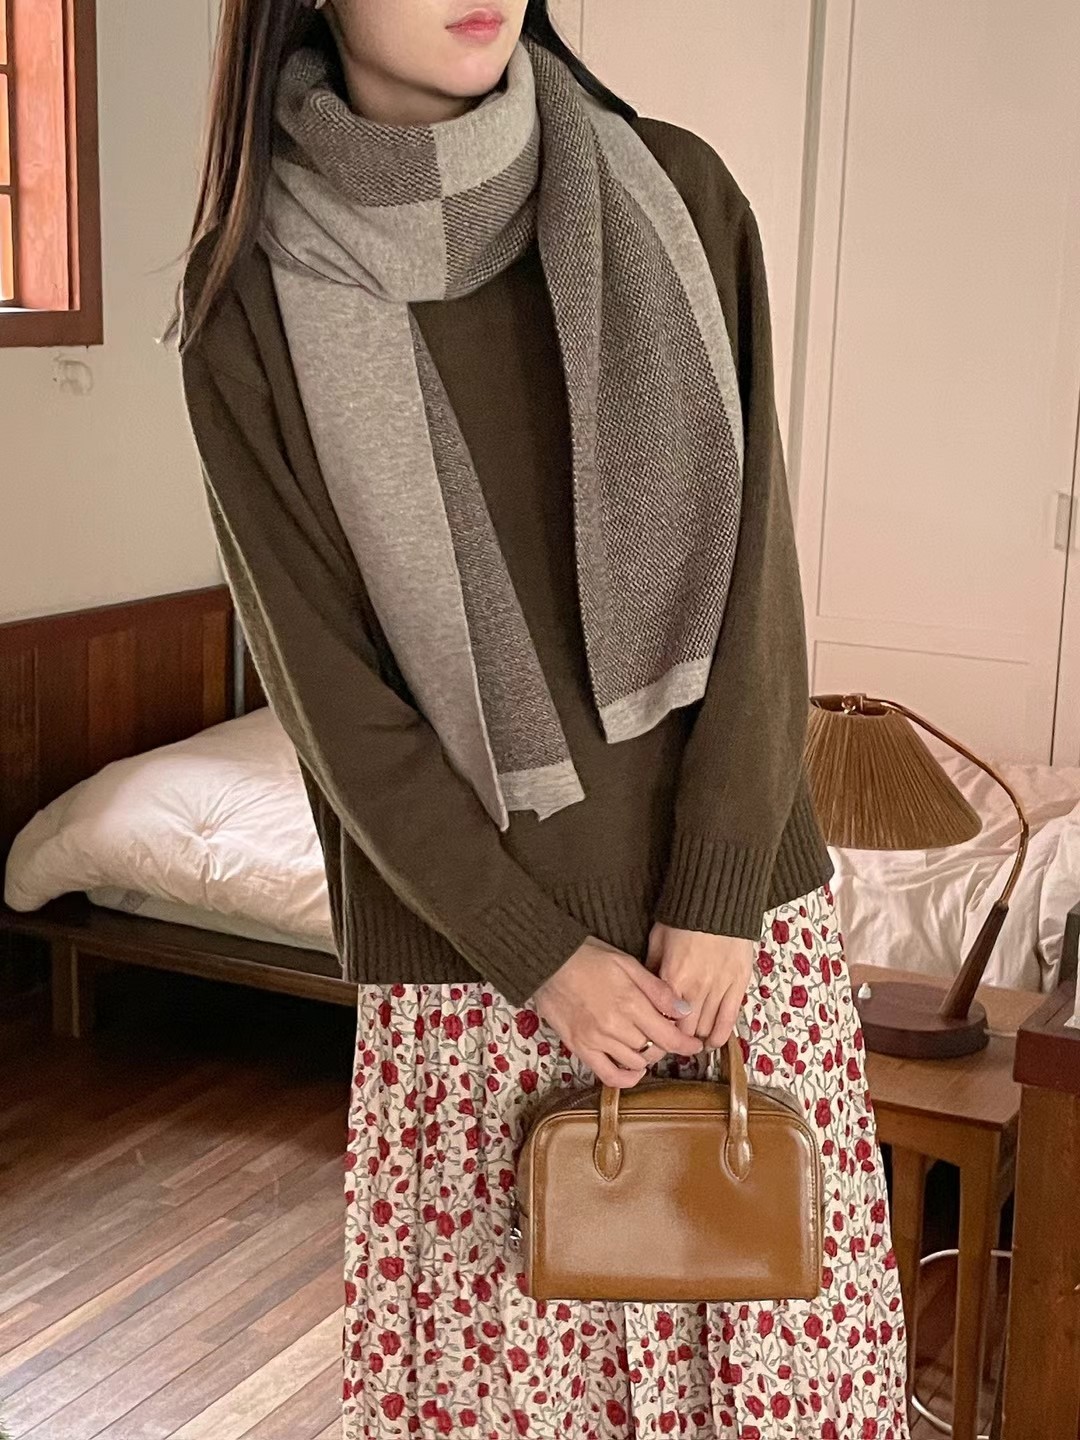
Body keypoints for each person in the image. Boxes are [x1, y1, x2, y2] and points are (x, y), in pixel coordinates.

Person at [179, 2, 910, 1434]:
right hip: (478, 978)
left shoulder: (678, 193)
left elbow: (759, 585)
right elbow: (336, 711)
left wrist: (720, 891)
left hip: (730, 951)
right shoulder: (245, 311)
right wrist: (543, 959)